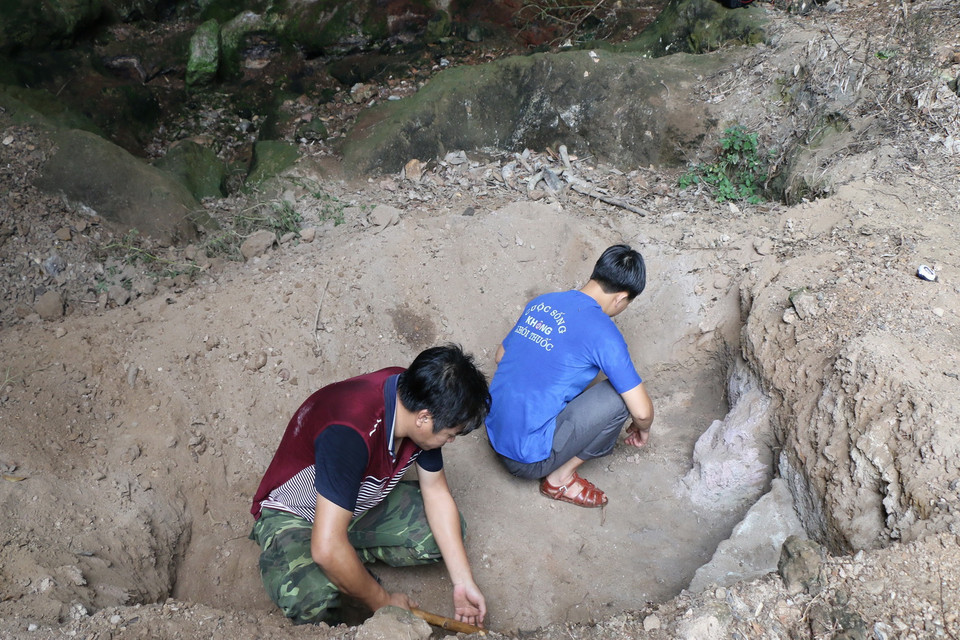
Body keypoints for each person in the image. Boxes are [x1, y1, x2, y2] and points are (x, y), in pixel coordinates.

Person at [250, 344, 490, 627]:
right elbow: (326, 547)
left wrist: (463, 582)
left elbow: (436, 492)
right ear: (424, 418)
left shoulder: (416, 393)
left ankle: (347, 565)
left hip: (356, 503)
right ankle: (338, 569)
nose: (449, 441)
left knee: (439, 536)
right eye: (450, 435)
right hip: (296, 513)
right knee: (311, 599)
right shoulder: (350, 433)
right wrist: (383, 602)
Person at [485, 244, 654, 508]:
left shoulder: (543, 302)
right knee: (619, 398)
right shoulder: (604, 333)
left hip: (494, 431)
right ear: (621, 298)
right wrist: (642, 429)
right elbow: (642, 412)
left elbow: (500, 356)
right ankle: (559, 479)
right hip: (525, 459)